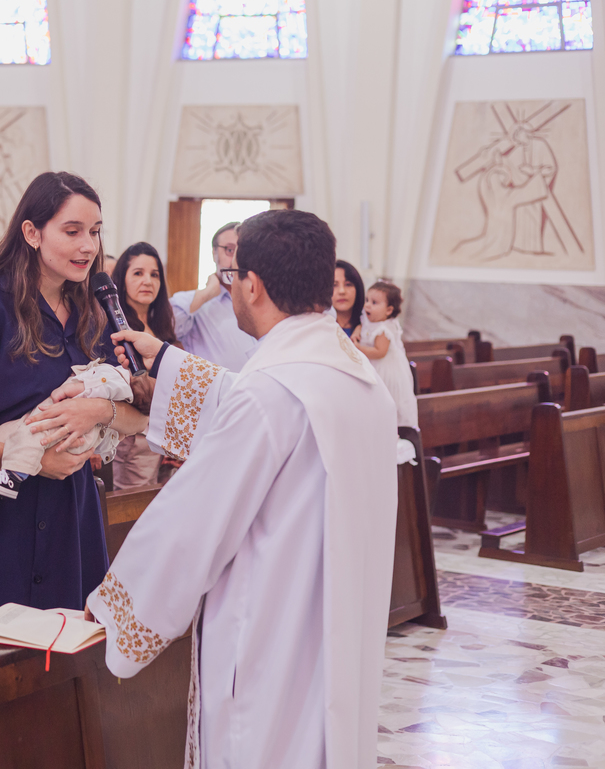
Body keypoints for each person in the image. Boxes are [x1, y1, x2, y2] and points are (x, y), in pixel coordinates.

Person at [89, 209, 397, 769]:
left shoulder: (272, 392)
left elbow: (192, 525)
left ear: (251, 285)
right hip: (334, 629)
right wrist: (169, 363)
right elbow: (257, 407)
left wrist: (116, 608)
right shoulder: (354, 375)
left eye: (232, 278)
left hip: (270, 639)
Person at [0, 171, 147, 664]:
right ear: (32, 232)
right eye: (72, 230)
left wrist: (98, 409)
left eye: (95, 231)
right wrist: (25, 457)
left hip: (70, 516)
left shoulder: (96, 315)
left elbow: (137, 420)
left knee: (62, 665)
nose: (88, 246)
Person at [0, 359, 134, 499]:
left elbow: (139, 419)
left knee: (34, 432)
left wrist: (98, 408)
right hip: (63, 425)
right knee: (6, 433)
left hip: (65, 432)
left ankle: (14, 474)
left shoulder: (119, 376)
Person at [111, 241, 178, 489]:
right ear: (122, 280)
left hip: (168, 435)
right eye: (138, 273)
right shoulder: (115, 327)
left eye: (154, 274)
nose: (147, 281)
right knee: (135, 507)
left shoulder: (162, 324)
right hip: (134, 437)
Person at [170, 221, 257, 371]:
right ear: (214, 254)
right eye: (230, 250)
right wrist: (208, 292)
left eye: (242, 251)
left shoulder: (259, 299)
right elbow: (166, 327)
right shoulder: (193, 302)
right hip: (216, 385)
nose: (236, 259)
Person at [354, 281, 418, 428]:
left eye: (374, 302)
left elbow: (379, 352)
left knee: (384, 400)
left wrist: (358, 348)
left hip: (385, 372)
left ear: (389, 310)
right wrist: (357, 331)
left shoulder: (384, 329)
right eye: (367, 300)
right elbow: (362, 325)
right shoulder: (370, 319)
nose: (367, 305)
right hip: (373, 367)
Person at [332, 259, 364, 338]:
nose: (342, 291)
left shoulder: (369, 328)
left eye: (348, 284)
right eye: (334, 285)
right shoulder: (319, 327)